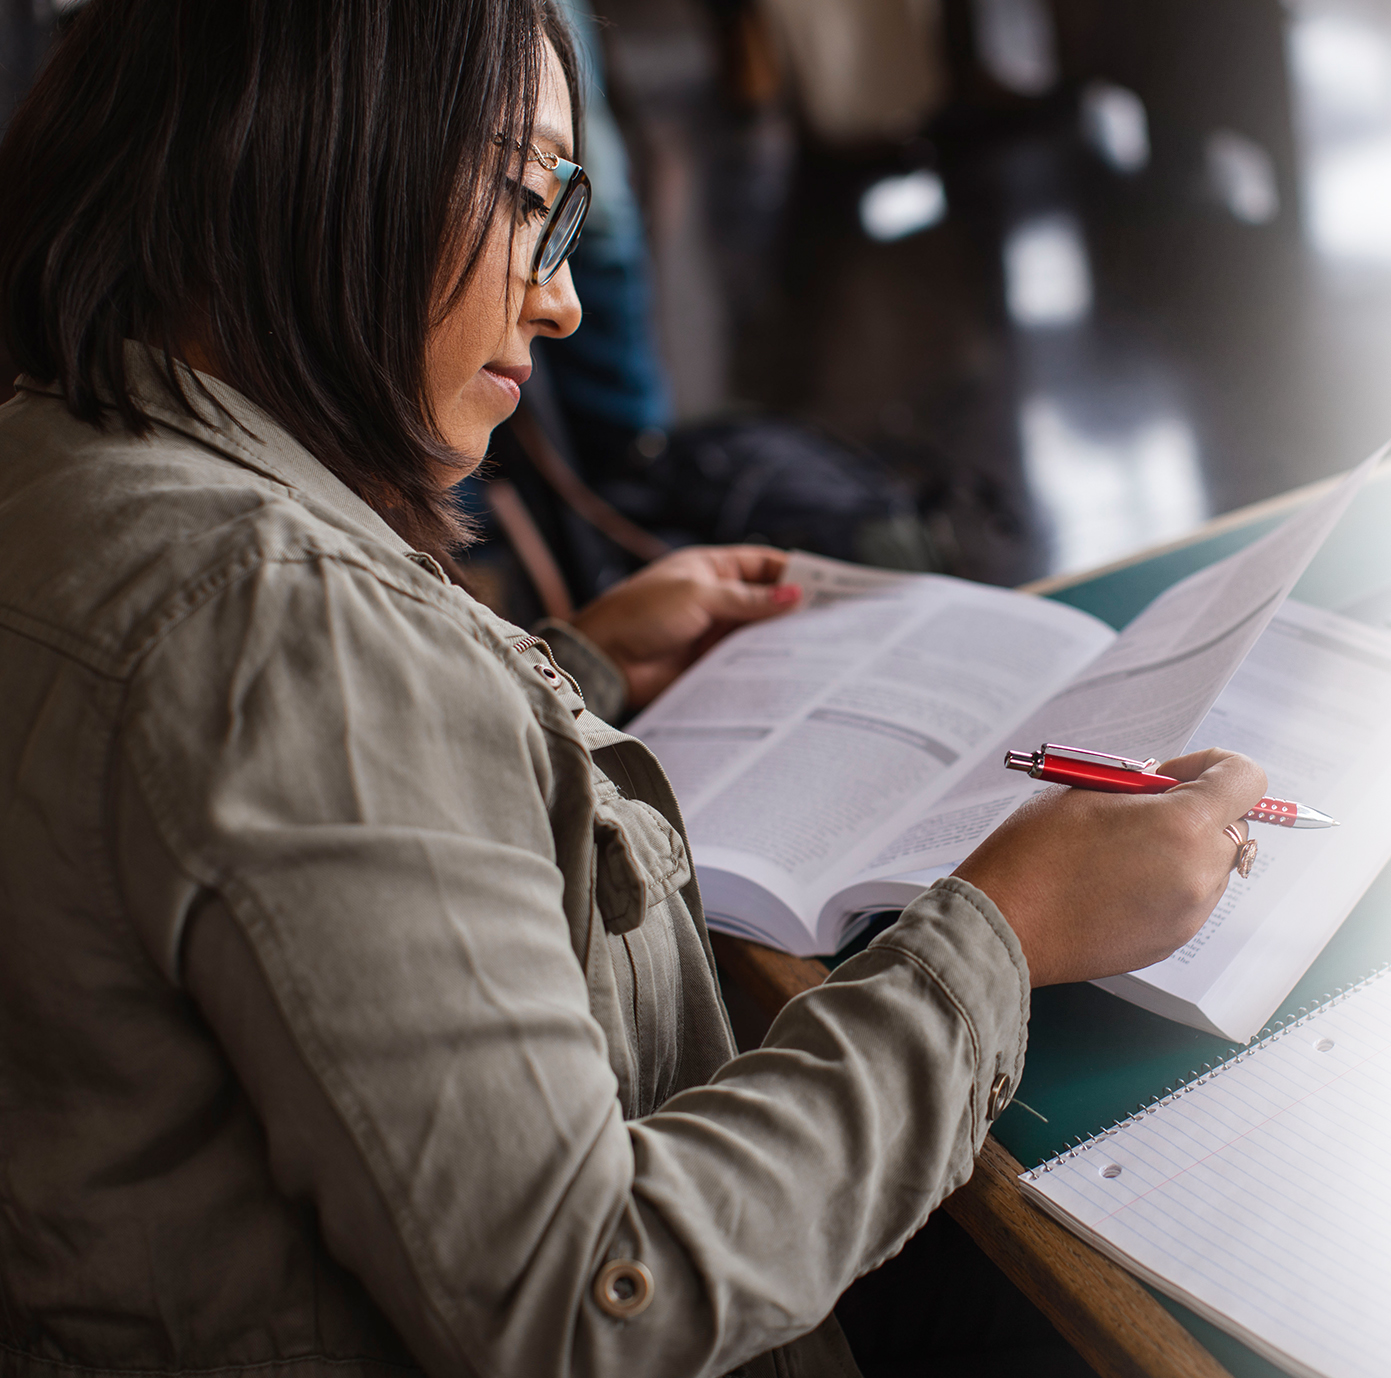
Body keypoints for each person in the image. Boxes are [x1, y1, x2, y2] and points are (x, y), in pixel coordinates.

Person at [0, 4, 1267, 1377]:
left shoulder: (62, 457)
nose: (563, 296)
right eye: (526, 197)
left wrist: (573, 666)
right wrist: (1007, 932)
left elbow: (278, 849)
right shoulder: (275, 626)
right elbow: (593, 1296)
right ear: (320, 152)